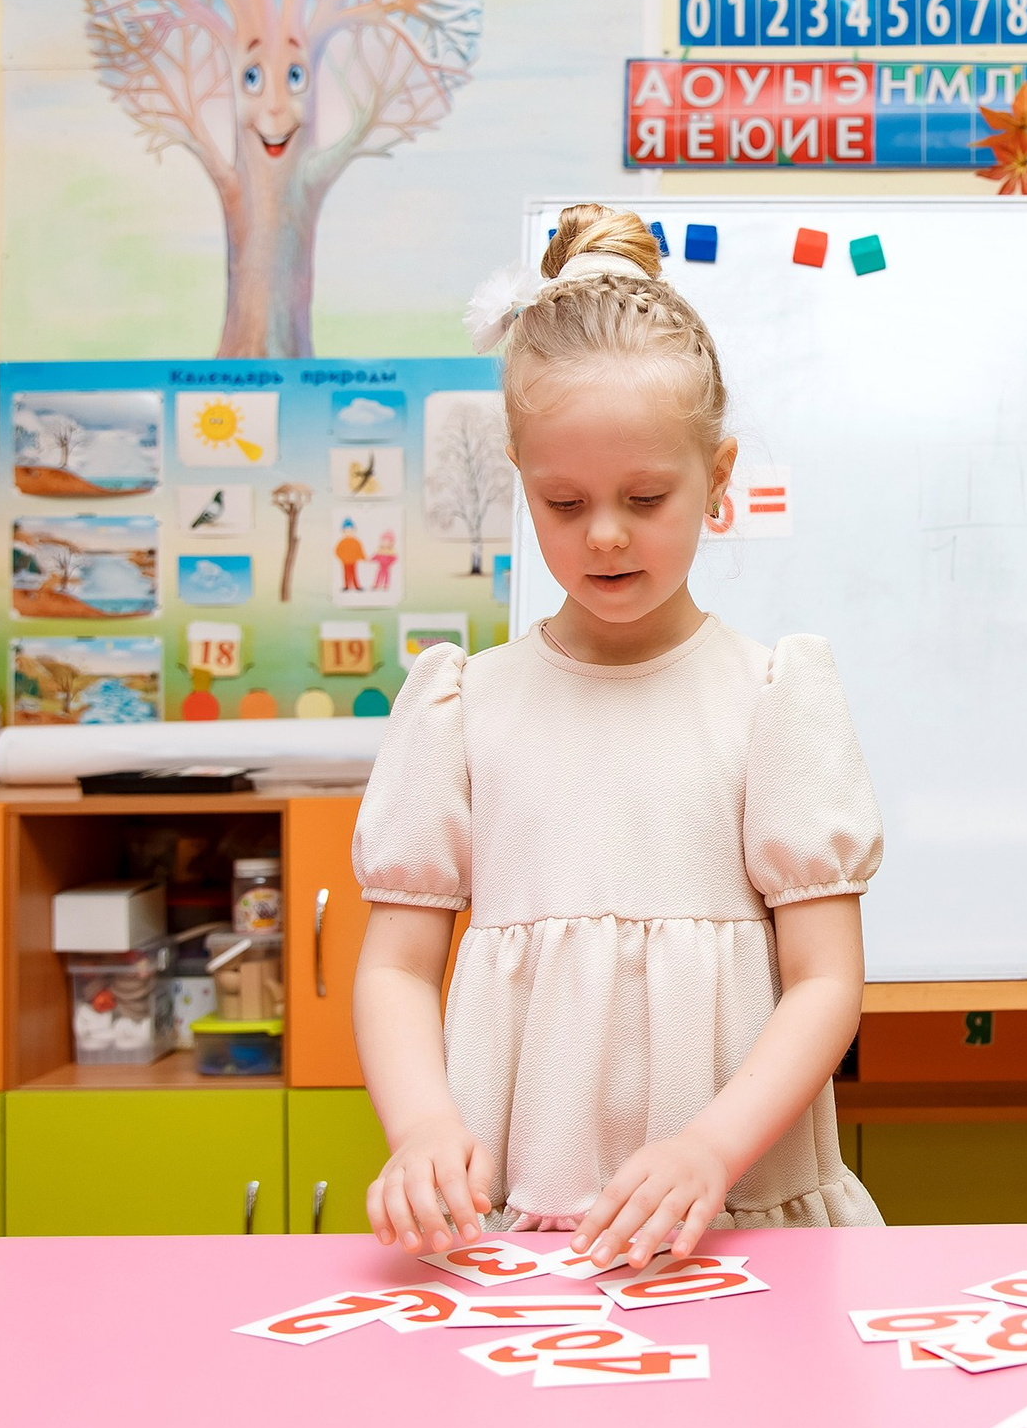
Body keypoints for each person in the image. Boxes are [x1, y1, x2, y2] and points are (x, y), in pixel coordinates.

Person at [350, 202, 883, 1268]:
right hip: (518, 1226)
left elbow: (826, 978)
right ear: (522, 480)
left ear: (717, 481)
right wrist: (418, 1130)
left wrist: (708, 1150)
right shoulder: (464, 705)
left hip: (732, 1220)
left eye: (645, 497)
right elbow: (397, 967)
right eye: (562, 501)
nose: (602, 533)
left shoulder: (771, 696)